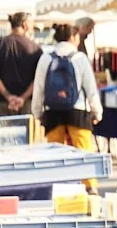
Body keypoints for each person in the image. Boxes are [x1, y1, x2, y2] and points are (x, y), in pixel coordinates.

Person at [30, 17, 102, 150]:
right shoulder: (80, 58)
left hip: (53, 112)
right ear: (73, 36)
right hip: (78, 113)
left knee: (55, 158)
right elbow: (91, 89)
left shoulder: (46, 58)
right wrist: (97, 112)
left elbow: (39, 88)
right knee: (84, 157)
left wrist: (37, 112)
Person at [0, 11, 42, 114]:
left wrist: (8, 96)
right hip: (27, 103)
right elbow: (37, 78)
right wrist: (22, 98)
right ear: (24, 25)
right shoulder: (35, 48)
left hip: (2, 101)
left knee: (1, 130)